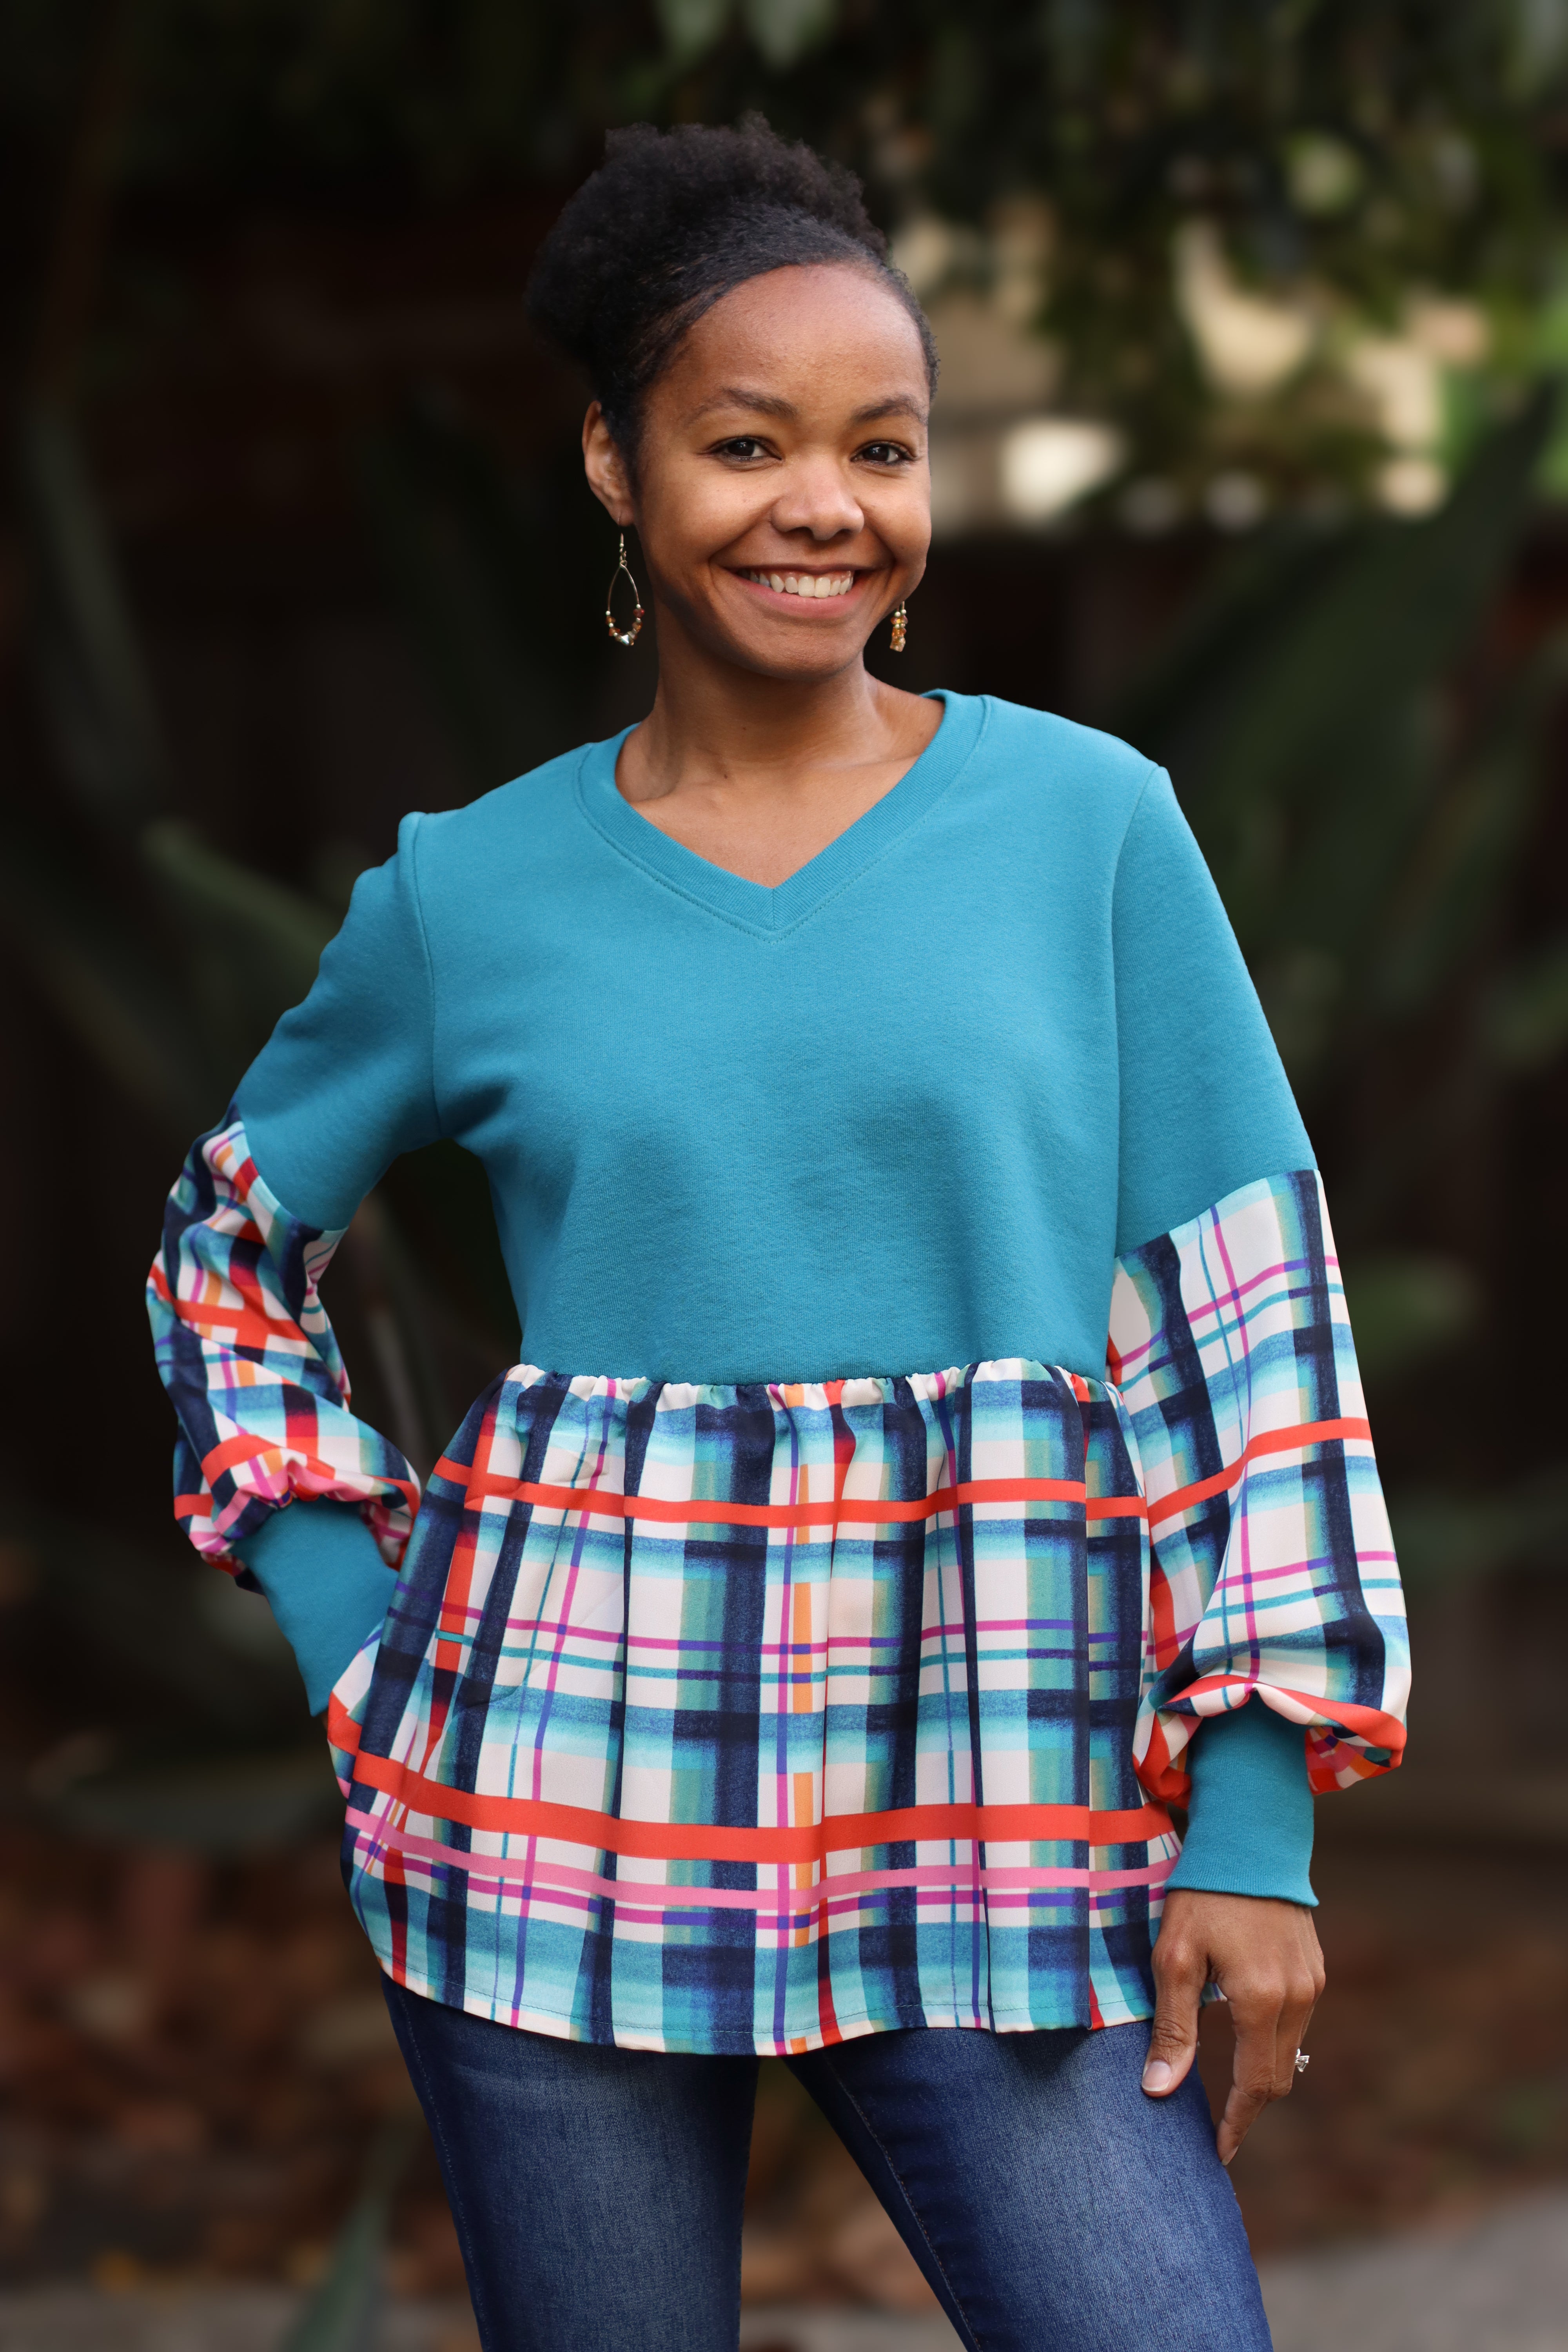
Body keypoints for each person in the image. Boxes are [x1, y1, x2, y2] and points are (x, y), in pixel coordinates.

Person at [147, 118, 1408, 2352]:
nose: (824, 505)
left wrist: (1254, 1810)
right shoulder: (470, 895)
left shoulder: (1092, 832)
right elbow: (229, 1247)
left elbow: (1254, 1332)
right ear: (622, 472)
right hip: (555, 1813)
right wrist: (360, 1625)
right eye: (747, 443)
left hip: (1001, 1810)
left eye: (882, 447)